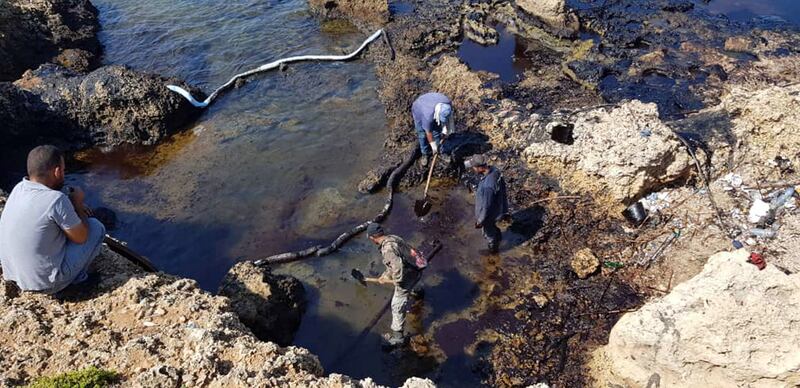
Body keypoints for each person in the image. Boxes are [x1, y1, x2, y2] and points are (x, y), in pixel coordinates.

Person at [0, 145, 106, 294]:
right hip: (44, 283)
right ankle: (77, 281)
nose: (63, 173)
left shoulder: (19, 188)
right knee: (96, 228)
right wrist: (78, 204)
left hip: (13, 274)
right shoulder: (56, 200)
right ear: (56, 172)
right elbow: (81, 237)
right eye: (63, 170)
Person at [365, 222, 426, 347]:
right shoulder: (393, 238)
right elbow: (400, 258)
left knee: (396, 305)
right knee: (413, 285)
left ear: (372, 237)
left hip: (406, 277)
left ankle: (398, 337)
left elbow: (397, 267)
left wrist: (397, 282)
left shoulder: (387, 249)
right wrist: (386, 275)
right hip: (415, 271)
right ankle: (418, 293)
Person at [465, 154, 508, 254]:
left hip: (489, 215)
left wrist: (480, 221)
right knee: (492, 227)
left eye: (473, 167)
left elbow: (486, 206)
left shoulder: (488, 186)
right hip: (498, 208)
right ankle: (498, 237)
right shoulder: (494, 171)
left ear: (480, 168)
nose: (472, 169)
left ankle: (493, 252)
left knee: (488, 233)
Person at [411, 92, 455, 166]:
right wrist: (433, 146)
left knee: (437, 132)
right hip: (418, 109)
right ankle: (425, 153)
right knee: (422, 134)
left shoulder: (447, 103)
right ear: (437, 113)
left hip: (430, 104)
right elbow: (428, 132)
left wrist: (446, 129)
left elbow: (449, 119)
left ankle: (441, 151)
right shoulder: (428, 116)